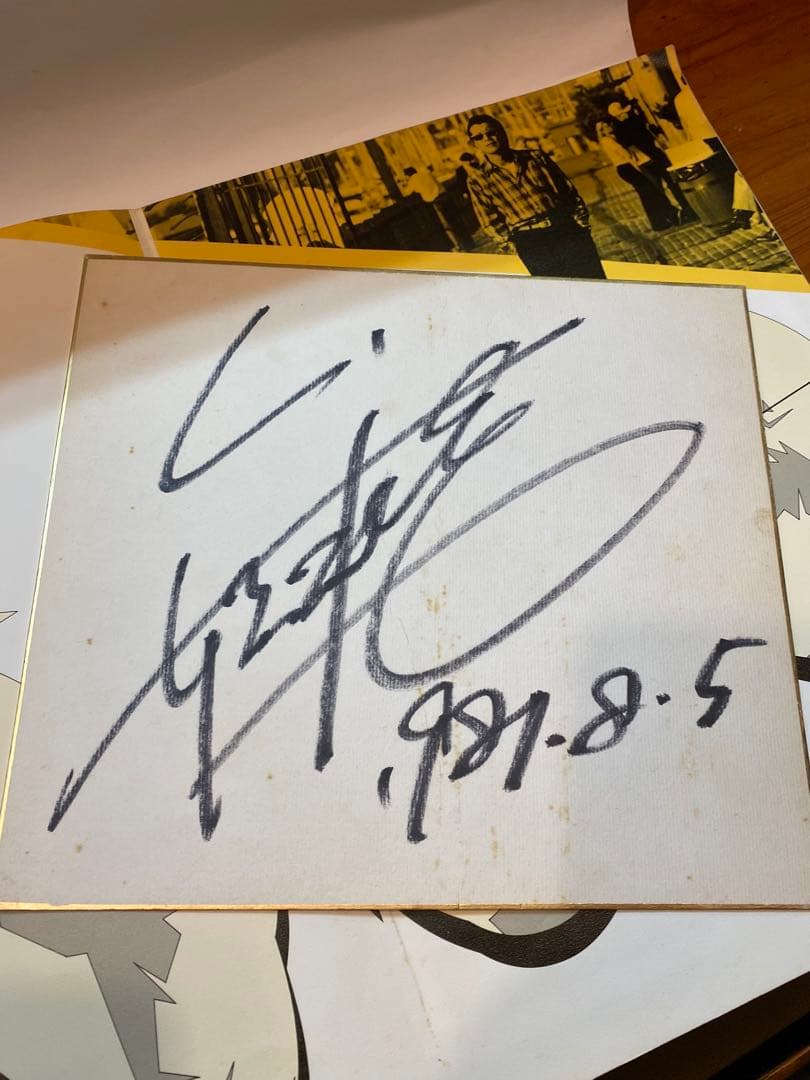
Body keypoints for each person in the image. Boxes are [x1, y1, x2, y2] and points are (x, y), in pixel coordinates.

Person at [463, 113, 606, 279]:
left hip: (565, 229)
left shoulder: (535, 157)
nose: (487, 139)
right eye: (479, 137)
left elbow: (567, 191)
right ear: (474, 143)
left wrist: (581, 225)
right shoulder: (477, 180)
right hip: (531, 242)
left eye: (491, 132)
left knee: (594, 281)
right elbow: (488, 219)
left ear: (501, 132)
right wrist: (512, 245)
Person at [607, 100, 697, 224]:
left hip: (649, 160)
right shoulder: (626, 127)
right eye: (623, 113)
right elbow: (635, 145)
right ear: (618, 116)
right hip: (650, 160)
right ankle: (681, 211)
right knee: (668, 185)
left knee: (665, 187)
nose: (625, 114)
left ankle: (677, 214)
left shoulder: (623, 127)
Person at [595, 119, 679, 231]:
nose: (609, 127)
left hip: (626, 168)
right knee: (649, 192)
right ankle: (663, 218)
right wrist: (638, 168)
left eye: (608, 125)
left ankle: (660, 220)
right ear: (602, 131)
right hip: (627, 168)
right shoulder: (607, 140)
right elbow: (626, 155)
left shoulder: (610, 139)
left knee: (647, 194)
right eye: (605, 127)